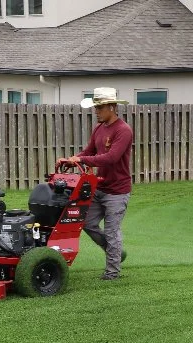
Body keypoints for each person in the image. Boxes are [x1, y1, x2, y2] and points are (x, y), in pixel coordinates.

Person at [60, 87, 133, 280]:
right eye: (96, 107)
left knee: (111, 231)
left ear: (112, 107)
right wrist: (73, 159)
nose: (96, 111)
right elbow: (89, 151)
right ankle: (114, 252)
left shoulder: (123, 130)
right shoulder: (99, 128)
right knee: (87, 223)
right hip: (99, 188)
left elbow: (111, 158)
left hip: (117, 191)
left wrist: (83, 161)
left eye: (100, 107)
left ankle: (112, 272)